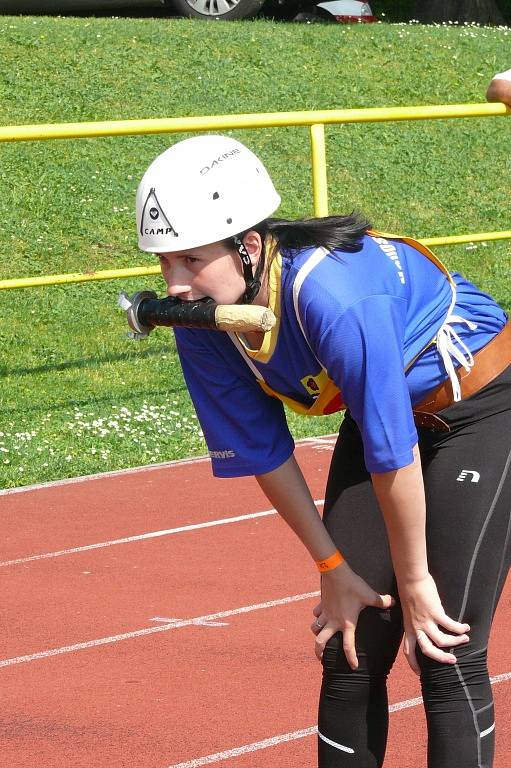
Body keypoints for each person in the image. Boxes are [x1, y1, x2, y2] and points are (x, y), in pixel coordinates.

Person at [135, 134, 511, 768]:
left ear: (248, 246)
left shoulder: (333, 296)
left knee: (444, 647)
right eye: (163, 262)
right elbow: (261, 451)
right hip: (386, 420)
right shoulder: (202, 314)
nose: (174, 285)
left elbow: (393, 451)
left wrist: (415, 581)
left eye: (190, 260)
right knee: (351, 643)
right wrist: (332, 567)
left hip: (481, 411)